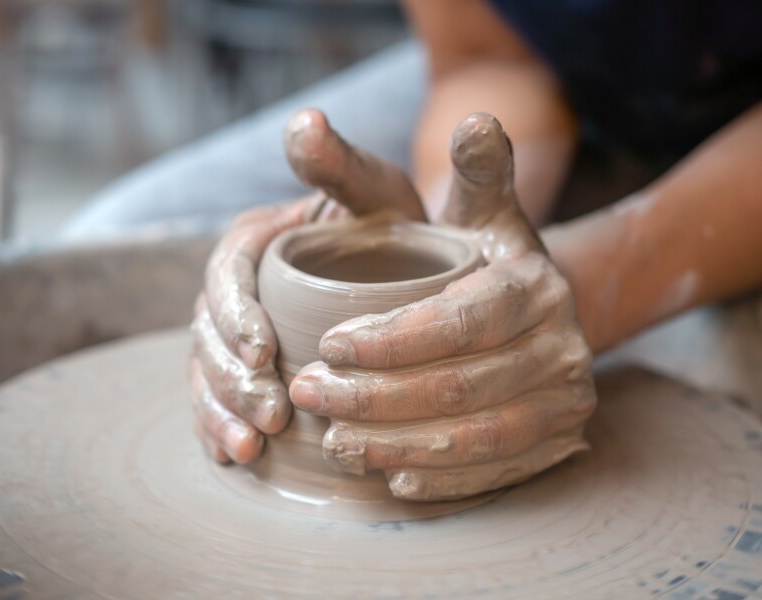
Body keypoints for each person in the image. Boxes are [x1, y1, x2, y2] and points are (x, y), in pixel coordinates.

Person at [187, 0, 762, 501]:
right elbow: (488, 59)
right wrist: (447, 240)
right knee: (120, 226)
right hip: (584, 83)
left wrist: (602, 283)